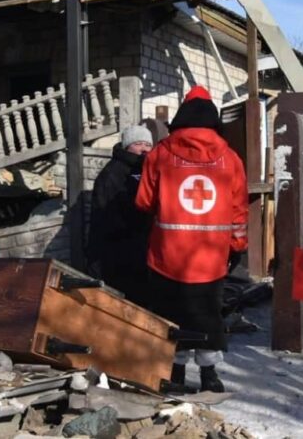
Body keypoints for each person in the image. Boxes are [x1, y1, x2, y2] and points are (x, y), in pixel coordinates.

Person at [135, 85, 248, 393]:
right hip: (210, 259)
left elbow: (144, 202)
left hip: (166, 257)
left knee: (172, 315)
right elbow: (238, 211)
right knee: (207, 314)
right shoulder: (230, 159)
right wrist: (237, 246)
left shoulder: (160, 153)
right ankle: (210, 376)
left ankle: (176, 373)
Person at [87, 125, 155, 307]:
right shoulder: (112, 173)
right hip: (120, 251)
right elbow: (105, 215)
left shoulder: (150, 171)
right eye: (138, 143)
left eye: (148, 145)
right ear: (127, 146)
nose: (144, 149)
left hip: (144, 248)